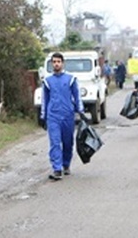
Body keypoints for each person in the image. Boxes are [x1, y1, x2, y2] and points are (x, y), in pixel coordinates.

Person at [40, 52, 88, 181]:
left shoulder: (70, 79)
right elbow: (45, 100)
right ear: (51, 64)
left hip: (67, 115)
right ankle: (57, 169)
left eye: (58, 61)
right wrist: (43, 116)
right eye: (54, 62)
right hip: (53, 116)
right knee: (55, 142)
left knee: (68, 142)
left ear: (62, 63)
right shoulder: (47, 81)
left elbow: (77, 96)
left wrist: (81, 111)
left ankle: (66, 164)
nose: (56, 64)